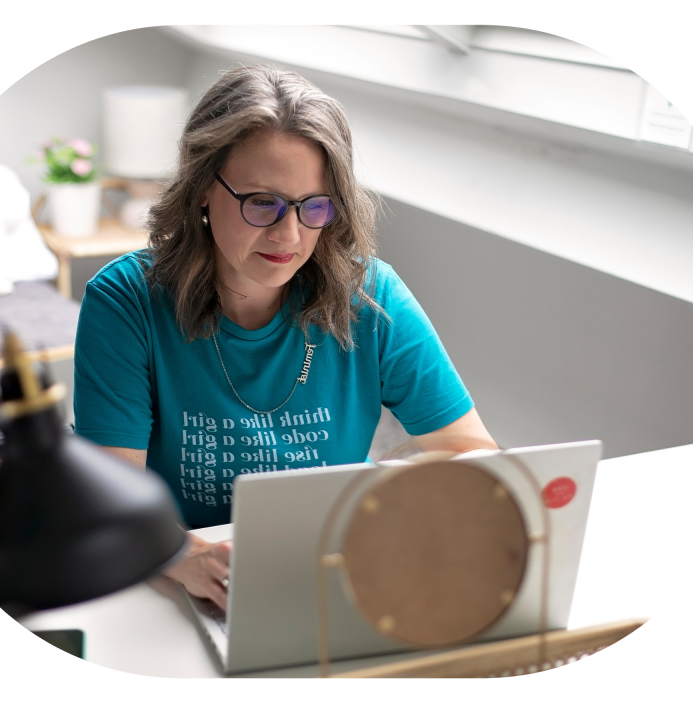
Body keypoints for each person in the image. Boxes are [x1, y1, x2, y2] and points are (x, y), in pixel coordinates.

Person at [74, 66, 496, 610]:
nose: (289, 235)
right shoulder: (126, 300)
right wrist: (185, 556)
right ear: (203, 188)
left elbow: (474, 454)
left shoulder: (371, 295)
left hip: (330, 567)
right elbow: (109, 503)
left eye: (313, 206)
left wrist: (393, 494)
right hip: (177, 581)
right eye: (262, 202)